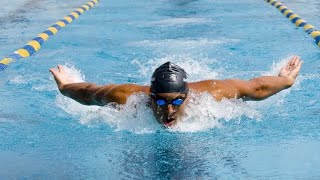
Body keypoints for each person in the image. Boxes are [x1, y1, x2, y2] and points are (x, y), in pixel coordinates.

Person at [50, 56, 303, 127]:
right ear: (149, 96)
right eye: (160, 103)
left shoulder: (210, 95)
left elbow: (256, 88)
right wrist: (65, 86)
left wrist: (284, 81)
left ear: (188, 96)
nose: (169, 112)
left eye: (177, 102)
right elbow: (90, 93)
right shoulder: (128, 97)